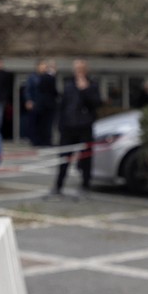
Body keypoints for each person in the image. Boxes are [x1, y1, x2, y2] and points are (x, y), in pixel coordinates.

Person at [53, 59, 103, 196]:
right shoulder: (69, 85)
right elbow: (62, 106)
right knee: (64, 158)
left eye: (81, 69)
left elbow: (97, 104)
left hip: (84, 127)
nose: (79, 72)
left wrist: (85, 90)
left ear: (86, 70)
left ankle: (86, 185)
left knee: (86, 158)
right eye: (77, 69)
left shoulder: (92, 85)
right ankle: (58, 186)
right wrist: (60, 125)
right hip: (68, 127)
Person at [24, 59, 58, 147]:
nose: (44, 68)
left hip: (44, 104)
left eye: (45, 67)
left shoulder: (47, 77)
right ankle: (35, 140)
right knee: (35, 123)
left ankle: (44, 140)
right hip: (36, 103)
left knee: (45, 123)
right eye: (42, 66)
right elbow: (28, 89)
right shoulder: (33, 77)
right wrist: (29, 100)